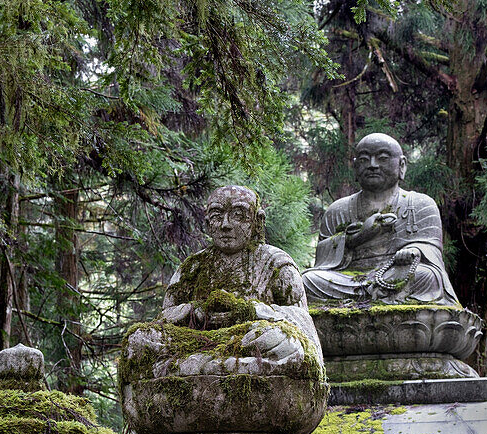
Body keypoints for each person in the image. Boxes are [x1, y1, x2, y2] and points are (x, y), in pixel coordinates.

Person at [128, 184, 323, 378]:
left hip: (248, 341)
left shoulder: (276, 264)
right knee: (140, 338)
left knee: (284, 342)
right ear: (207, 224)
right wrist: (195, 312)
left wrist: (251, 311)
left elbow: (301, 321)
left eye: (238, 215)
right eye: (217, 216)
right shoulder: (192, 268)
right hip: (197, 342)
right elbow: (164, 317)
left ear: (257, 221)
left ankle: (191, 368)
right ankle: (223, 366)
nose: (226, 224)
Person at [302, 133, 460, 306]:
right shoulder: (338, 209)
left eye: (383, 158)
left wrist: (414, 251)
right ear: (355, 168)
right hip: (348, 279)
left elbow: (431, 248)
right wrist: (354, 238)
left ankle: (379, 296)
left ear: (402, 165)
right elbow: (323, 259)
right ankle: (375, 297)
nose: (372, 165)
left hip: (396, 272)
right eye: (364, 160)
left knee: (428, 277)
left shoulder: (421, 204)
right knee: (308, 280)